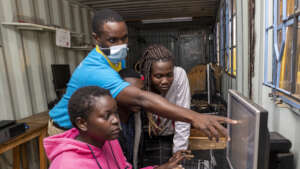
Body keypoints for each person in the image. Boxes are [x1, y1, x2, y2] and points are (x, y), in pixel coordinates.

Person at [48, 8, 236, 140]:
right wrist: (195, 117)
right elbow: (140, 99)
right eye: (113, 40)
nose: (120, 45)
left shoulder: (114, 57)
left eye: (124, 38)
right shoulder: (96, 70)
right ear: (96, 38)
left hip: (89, 126)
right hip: (65, 128)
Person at [43, 86, 192, 169]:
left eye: (115, 112)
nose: (116, 120)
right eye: (107, 116)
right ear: (82, 123)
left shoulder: (108, 142)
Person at [136, 44, 191, 165]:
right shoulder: (140, 81)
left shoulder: (179, 75)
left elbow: (183, 117)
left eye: (169, 75)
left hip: (170, 135)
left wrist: (179, 151)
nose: (165, 81)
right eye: (158, 76)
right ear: (149, 74)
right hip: (146, 137)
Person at [118, 68, 144, 168]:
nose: (138, 99)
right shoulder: (106, 124)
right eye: (131, 92)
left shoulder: (140, 117)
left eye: (140, 92)